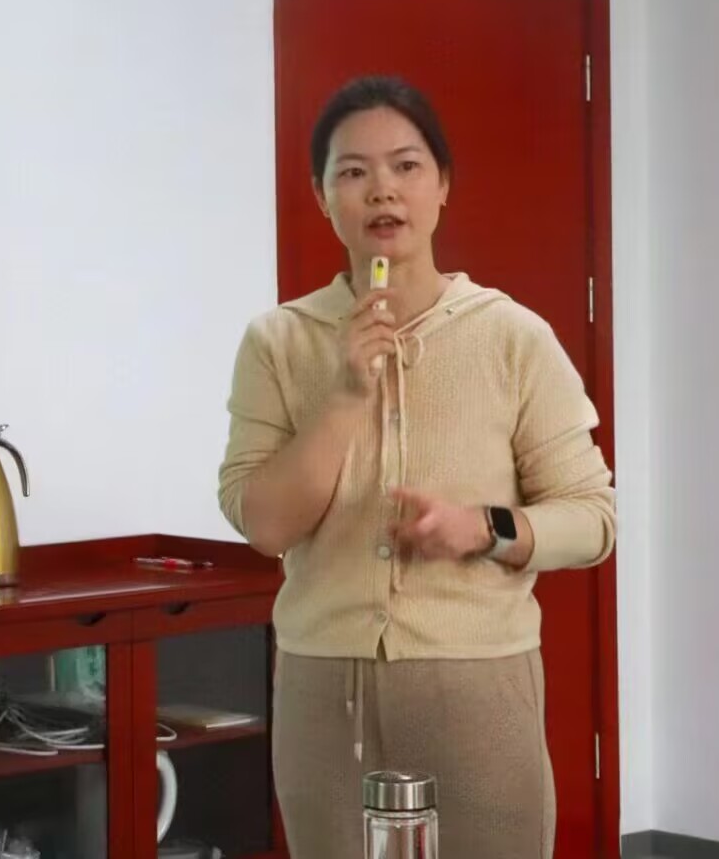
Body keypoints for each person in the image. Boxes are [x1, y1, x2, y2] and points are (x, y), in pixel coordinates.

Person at [217, 75, 616, 858]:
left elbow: (593, 518)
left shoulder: (512, 336)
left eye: (406, 166)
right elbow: (265, 525)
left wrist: (484, 528)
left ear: (442, 186)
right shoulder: (279, 342)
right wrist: (343, 395)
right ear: (322, 196)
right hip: (323, 688)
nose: (382, 191)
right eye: (353, 172)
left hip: (476, 685)